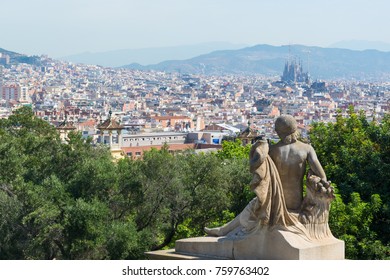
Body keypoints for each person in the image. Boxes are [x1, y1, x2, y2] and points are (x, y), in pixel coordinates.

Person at [269, 115, 327, 212]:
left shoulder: (272, 151)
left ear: (278, 132)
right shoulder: (306, 149)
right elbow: (323, 177)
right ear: (295, 129)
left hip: (276, 204)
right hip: (297, 203)